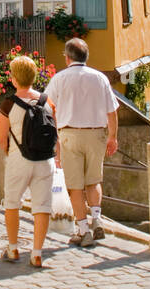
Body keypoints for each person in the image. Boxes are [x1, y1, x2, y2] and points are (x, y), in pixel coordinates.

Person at [42, 37, 117, 247]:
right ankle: (97, 219)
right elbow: (112, 111)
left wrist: (55, 143)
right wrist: (113, 136)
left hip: (70, 134)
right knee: (93, 181)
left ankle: (83, 231)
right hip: (96, 134)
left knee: (75, 187)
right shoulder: (99, 78)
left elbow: (48, 110)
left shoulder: (59, 78)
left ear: (67, 58)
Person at [0, 55, 54, 268]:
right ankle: (37, 252)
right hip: (44, 159)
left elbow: (2, 138)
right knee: (42, 206)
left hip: (19, 159)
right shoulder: (47, 101)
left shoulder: (8, 104)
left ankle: (12, 249)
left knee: (12, 202)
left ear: (14, 79)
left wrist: (9, 152)